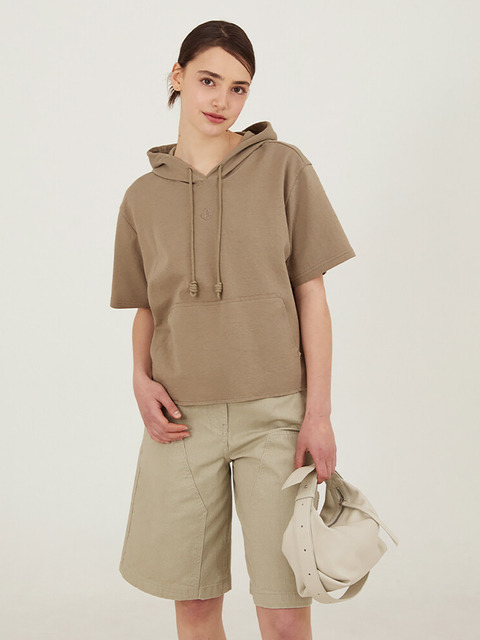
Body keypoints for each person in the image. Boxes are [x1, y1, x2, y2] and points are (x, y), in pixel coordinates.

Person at [110, 19, 356, 640]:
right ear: (178, 77)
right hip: (179, 424)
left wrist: (318, 414)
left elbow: (312, 295)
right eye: (208, 80)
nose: (222, 100)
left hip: (274, 420)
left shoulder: (283, 167)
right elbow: (146, 307)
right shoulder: (141, 197)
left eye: (239, 88)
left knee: (283, 614)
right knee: (194, 609)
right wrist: (138, 379)